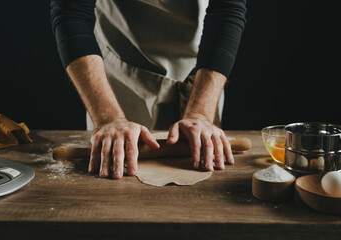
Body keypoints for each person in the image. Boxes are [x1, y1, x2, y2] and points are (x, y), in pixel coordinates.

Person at [50, 0, 247, 179]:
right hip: (121, 75)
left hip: (202, 71)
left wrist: (201, 113)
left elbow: (227, 9)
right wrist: (109, 118)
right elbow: (72, 12)